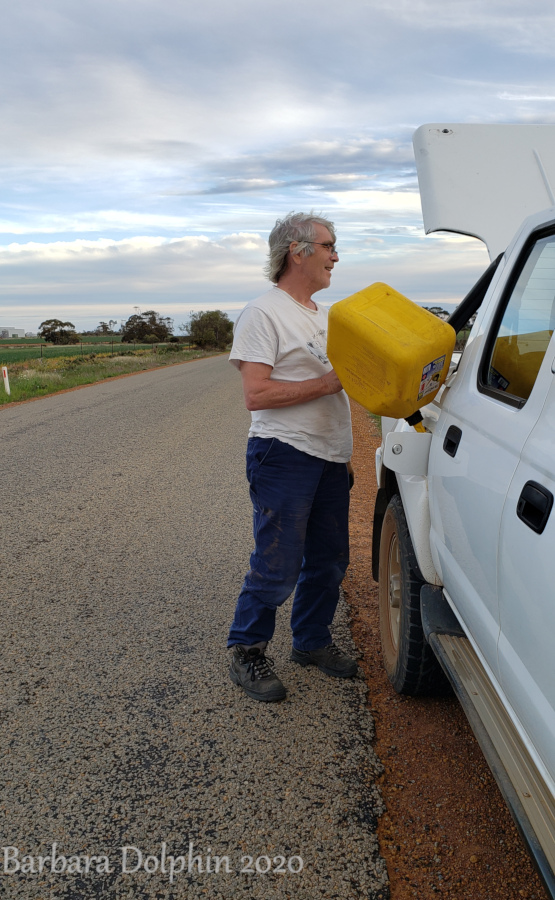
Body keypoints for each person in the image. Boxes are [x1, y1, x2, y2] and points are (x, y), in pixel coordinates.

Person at [228, 211, 357, 702]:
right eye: (328, 246)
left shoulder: (323, 314)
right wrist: (329, 383)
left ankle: (311, 642)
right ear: (297, 251)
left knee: (327, 560)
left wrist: (341, 453)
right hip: (283, 455)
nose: (335, 256)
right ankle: (247, 651)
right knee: (278, 562)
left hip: (328, 458)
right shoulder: (263, 313)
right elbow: (256, 394)